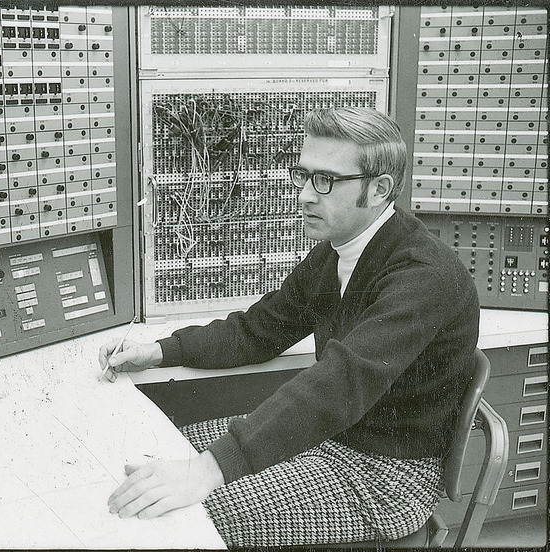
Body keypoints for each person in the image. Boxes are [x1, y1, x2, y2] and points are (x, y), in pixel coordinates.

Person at [97, 106, 480, 546]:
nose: (304, 195)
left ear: (380, 189)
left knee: (178, 512)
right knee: (155, 449)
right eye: (303, 175)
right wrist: (163, 350)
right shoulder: (341, 247)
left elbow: (339, 382)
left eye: (326, 180)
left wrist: (207, 471)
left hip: (384, 479)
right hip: (332, 438)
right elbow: (260, 329)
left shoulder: (424, 277)